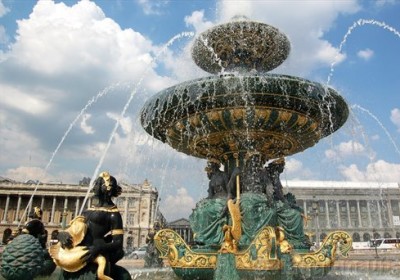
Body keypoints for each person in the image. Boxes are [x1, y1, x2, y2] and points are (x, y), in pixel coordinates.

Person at [55, 172, 130, 280]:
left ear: (106, 189)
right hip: (78, 252)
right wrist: (63, 235)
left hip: (94, 254)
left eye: (96, 184)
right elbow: (75, 229)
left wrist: (98, 248)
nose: (93, 187)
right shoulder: (89, 209)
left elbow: (118, 243)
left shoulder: (113, 214)